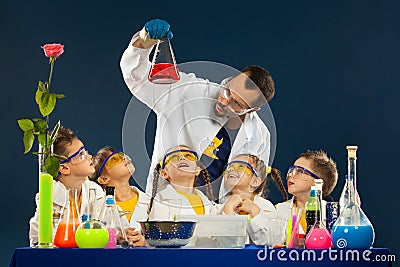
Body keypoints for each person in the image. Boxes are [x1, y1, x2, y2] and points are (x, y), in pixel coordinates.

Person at [120, 19, 276, 201]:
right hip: (169, 204)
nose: (225, 101)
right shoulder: (188, 92)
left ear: (252, 110)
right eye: (227, 91)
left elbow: (253, 187)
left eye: (237, 104)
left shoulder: (260, 136)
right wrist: (143, 41)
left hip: (221, 215)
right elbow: (136, 77)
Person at [29, 126, 104, 247]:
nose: (90, 156)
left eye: (86, 151)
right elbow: (37, 238)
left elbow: (102, 230)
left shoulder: (95, 191)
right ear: (64, 168)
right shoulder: (48, 193)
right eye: (81, 154)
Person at [90, 146, 149, 247]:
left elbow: (160, 240)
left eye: (123, 156)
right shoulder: (96, 207)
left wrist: (145, 242)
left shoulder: (150, 202)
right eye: (114, 159)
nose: (124, 158)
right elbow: (91, 238)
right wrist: (115, 237)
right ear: (104, 179)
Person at [222, 154, 287, 245]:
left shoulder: (266, 207)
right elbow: (224, 243)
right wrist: (228, 210)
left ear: (255, 181)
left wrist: (256, 212)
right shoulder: (219, 208)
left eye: (241, 166)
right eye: (229, 167)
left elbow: (274, 241)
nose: (232, 169)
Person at [275, 150, 338, 234]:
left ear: (318, 183)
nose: (290, 175)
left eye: (300, 171)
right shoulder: (278, 210)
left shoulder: (332, 215)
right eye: (291, 170)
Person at [148, 145, 217, 221]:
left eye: (189, 156)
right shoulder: (161, 200)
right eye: (173, 157)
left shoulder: (208, 203)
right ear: (164, 174)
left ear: (197, 170)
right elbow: (159, 230)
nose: (182, 158)